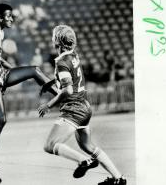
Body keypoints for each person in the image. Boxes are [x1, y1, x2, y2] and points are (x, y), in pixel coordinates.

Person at [0, 3, 57, 183]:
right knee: (1, 120)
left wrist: (3, 63)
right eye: (9, 16)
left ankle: (61, 97)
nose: (12, 19)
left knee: (34, 70)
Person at [37, 25, 127, 185]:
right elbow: (71, 77)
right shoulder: (73, 55)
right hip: (85, 107)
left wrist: (48, 105)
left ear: (56, 41)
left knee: (50, 145)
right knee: (88, 146)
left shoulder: (61, 62)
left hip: (73, 109)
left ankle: (83, 162)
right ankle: (118, 179)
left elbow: (68, 90)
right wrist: (53, 81)